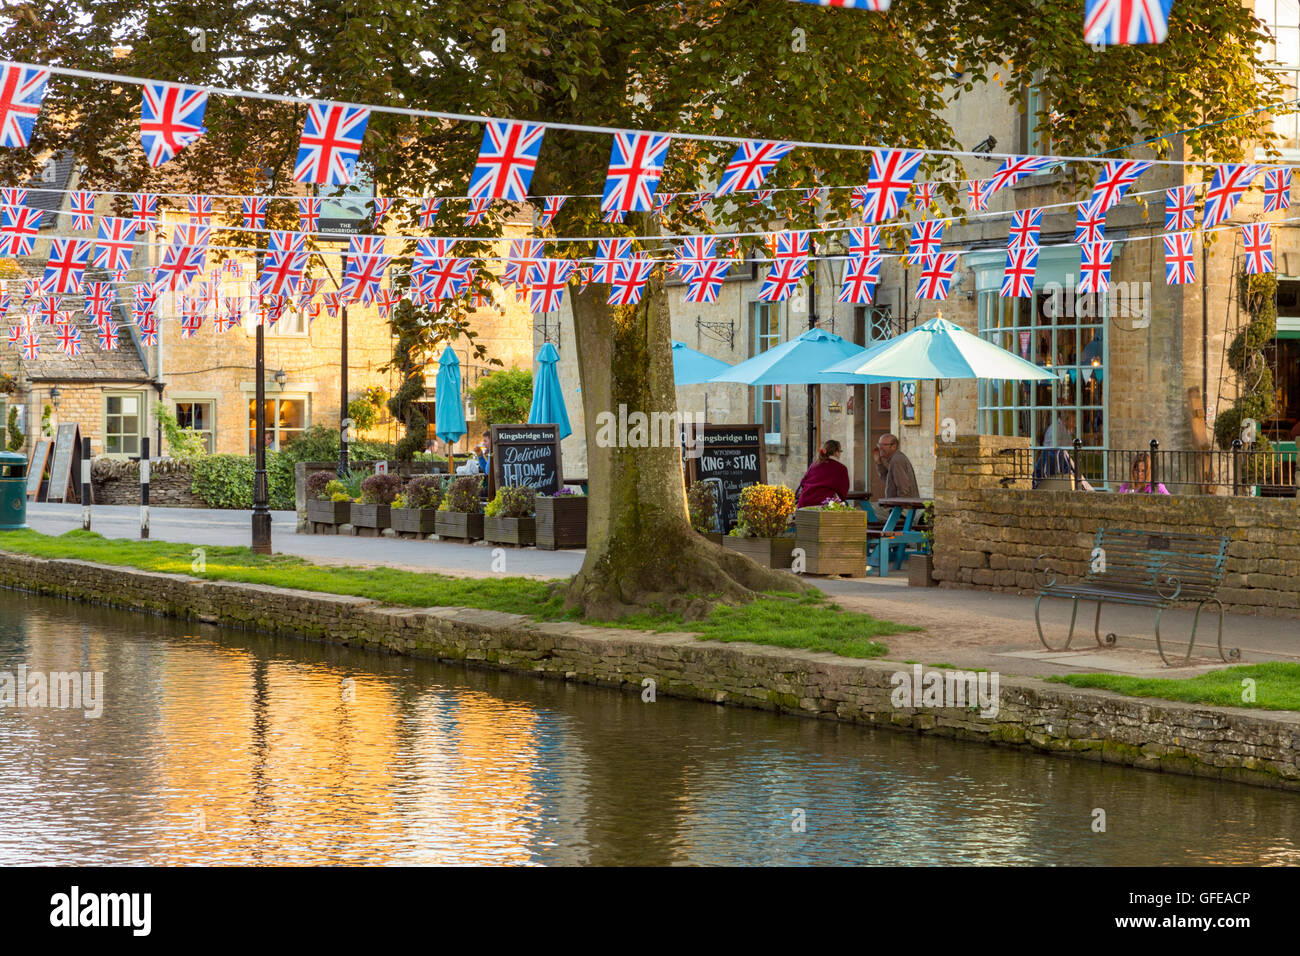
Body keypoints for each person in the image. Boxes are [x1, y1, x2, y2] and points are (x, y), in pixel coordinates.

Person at [796, 439, 850, 507]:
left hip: (803, 504)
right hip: (822, 505)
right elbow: (843, 491)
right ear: (836, 453)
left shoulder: (814, 464)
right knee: (846, 506)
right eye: (840, 451)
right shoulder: (841, 468)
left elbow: (803, 482)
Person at [874, 433, 919, 499]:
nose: (880, 448)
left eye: (884, 445)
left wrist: (899, 508)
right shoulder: (894, 459)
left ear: (894, 446)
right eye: (879, 445)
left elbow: (904, 490)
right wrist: (879, 463)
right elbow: (888, 481)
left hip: (904, 507)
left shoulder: (897, 460)